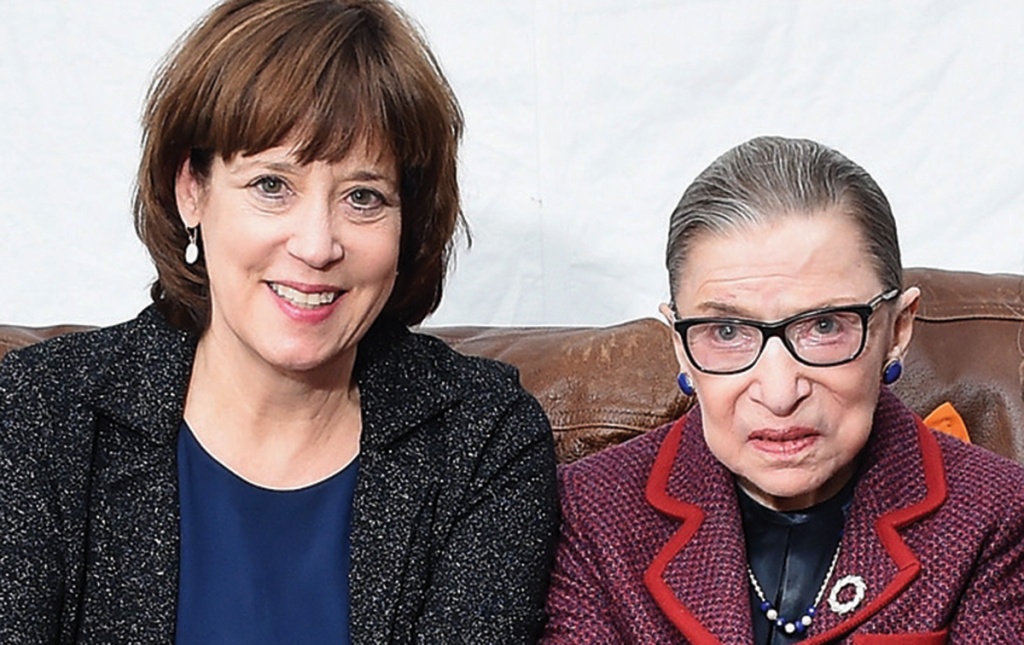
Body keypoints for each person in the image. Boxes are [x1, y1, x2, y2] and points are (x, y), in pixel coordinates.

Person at [0, 0, 558, 642]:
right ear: (192, 189)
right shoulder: (41, 413)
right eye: (272, 185)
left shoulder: (483, 440)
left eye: (363, 196)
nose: (317, 245)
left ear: (409, 222)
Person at [542, 136, 1024, 643]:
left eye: (824, 326)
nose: (778, 394)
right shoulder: (587, 513)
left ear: (897, 330)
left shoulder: (996, 515)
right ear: (680, 346)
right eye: (727, 332)